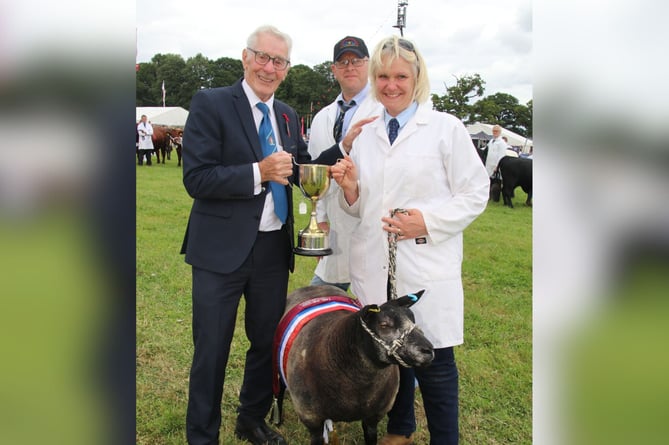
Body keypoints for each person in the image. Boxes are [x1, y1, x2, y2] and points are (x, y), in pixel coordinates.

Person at [180, 25, 348, 445]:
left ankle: (250, 419)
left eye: (278, 61)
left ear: (287, 69)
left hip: (273, 249)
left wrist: (343, 152)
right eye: (262, 57)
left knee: (264, 343)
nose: (269, 68)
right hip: (219, 252)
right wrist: (258, 172)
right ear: (245, 56)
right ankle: (202, 435)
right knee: (212, 350)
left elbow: (303, 168)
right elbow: (196, 178)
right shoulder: (212, 103)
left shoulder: (288, 114)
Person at [330, 35, 489, 444]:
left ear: (417, 77)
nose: (390, 85)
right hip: (374, 265)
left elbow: (475, 193)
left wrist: (429, 222)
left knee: (432, 359)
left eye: (400, 75)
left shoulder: (445, 129)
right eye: (382, 76)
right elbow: (360, 208)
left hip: (424, 264)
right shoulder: (365, 133)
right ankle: (400, 428)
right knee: (388, 354)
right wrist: (350, 190)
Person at [307, 35, 381, 291]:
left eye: (357, 60)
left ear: (369, 65)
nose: (350, 67)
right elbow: (317, 176)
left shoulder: (384, 110)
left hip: (373, 226)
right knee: (320, 300)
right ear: (334, 69)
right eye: (343, 62)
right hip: (335, 229)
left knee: (375, 310)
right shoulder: (321, 118)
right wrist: (322, 220)